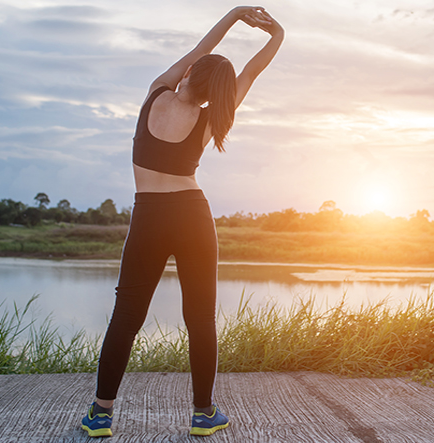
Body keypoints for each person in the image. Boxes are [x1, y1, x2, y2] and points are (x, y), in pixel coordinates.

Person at [80, 6, 284, 438]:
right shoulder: (212, 118)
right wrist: (276, 36)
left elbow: (202, 48)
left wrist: (233, 17)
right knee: (200, 318)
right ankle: (202, 413)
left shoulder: (156, 94)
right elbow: (250, 73)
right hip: (193, 215)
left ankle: (101, 414)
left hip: (149, 216)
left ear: (190, 72)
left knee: (125, 318)